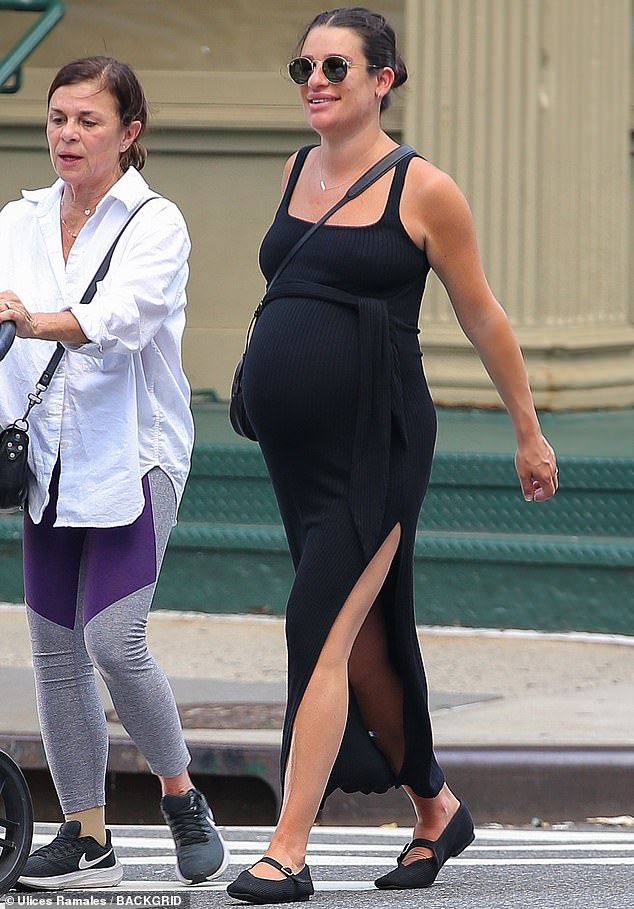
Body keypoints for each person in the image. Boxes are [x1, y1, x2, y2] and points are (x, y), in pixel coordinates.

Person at [226, 7, 558, 905]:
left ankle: (288, 849)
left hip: (379, 445)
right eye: (304, 68)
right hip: (299, 456)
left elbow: (481, 312)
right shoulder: (296, 167)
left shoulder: (425, 188)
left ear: (384, 79)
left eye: (337, 66)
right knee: (360, 641)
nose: (317, 82)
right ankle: (436, 807)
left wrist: (527, 428)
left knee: (316, 626)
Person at [0, 57, 229, 890]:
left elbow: (122, 323)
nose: (67, 133)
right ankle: (86, 834)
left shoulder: (155, 224)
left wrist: (28, 322)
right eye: (58, 117)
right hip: (48, 459)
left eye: (88, 120)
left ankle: (180, 797)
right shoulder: (16, 222)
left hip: (135, 454)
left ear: (129, 134)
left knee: (112, 638)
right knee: (54, 651)